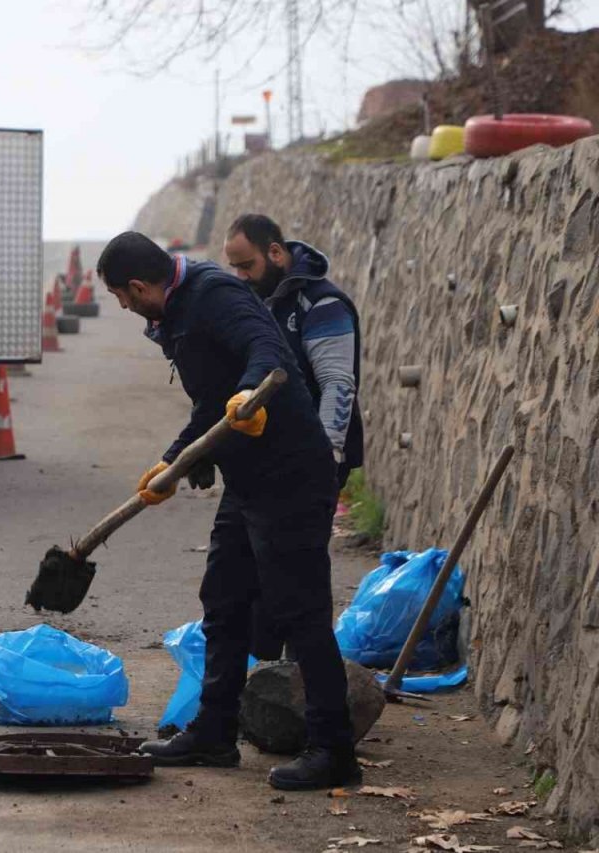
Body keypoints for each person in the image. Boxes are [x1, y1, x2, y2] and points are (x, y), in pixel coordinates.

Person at [95, 231, 359, 791]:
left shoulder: (216, 295)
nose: (125, 308)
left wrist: (247, 394)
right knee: (224, 596)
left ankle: (333, 750)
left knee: (300, 613)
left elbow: (267, 348)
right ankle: (214, 733)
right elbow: (210, 404)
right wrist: (171, 463)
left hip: (291, 473)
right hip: (248, 479)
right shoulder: (179, 314)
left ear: (140, 285)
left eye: (122, 296)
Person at [222, 214, 363, 488]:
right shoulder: (259, 299)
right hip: (269, 456)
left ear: (274, 252)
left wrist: (325, 459)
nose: (241, 276)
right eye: (235, 268)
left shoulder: (322, 304)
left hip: (311, 460)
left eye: (247, 265)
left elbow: (337, 384)